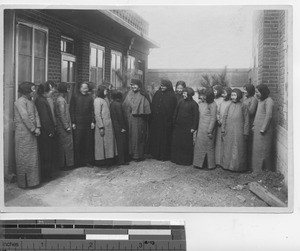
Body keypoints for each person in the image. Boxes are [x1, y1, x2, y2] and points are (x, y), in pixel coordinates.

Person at [14, 82, 41, 188]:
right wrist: (33, 129)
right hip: (23, 134)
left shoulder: (31, 101)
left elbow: (36, 114)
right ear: (26, 91)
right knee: (23, 157)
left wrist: (38, 126)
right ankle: (24, 183)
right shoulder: (19, 102)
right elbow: (25, 117)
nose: (34, 92)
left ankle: (33, 182)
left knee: (32, 157)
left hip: (32, 133)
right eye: (32, 89)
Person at [122, 79, 151, 161]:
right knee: (129, 136)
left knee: (138, 137)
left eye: (135, 85)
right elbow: (124, 105)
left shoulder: (144, 94)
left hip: (139, 119)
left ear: (139, 86)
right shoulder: (128, 93)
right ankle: (130, 153)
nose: (133, 86)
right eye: (131, 85)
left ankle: (138, 155)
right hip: (128, 118)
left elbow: (147, 109)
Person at [221, 89, 249, 172]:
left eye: (235, 95)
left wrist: (245, 132)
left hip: (239, 131)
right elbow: (224, 117)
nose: (233, 97)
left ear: (239, 96)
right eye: (232, 95)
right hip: (229, 130)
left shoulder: (243, 106)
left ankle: (238, 167)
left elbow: (246, 120)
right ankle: (227, 166)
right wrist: (223, 129)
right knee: (228, 147)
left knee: (238, 148)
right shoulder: (229, 106)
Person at [149, 79, 177, 161]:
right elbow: (153, 105)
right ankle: (155, 154)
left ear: (168, 86)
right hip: (157, 120)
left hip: (166, 121)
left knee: (165, 138)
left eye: (164, 86)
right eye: (161, 85)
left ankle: (164, 155)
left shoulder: (172, 95)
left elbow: (173, 108)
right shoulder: (157, 93)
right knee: (156, 137)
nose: (162, 87)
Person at [35, 81, 57, 180]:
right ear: (45, 91)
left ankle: (47, 174)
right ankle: (46, 176)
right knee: (46, 154)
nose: (52, 91)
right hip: (45, 133)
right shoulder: (41, 101)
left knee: (48, 154)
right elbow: (45, 119)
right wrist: (50, 131)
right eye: (50, 89)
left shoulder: (42, 99)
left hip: (46, 132)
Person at [171, 87, 199, 165]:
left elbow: (196, 117)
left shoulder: (194, 104)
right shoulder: (181, 102)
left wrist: (193, 127)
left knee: (186, 144)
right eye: (183, 93)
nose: (183, 95)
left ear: (189, 94)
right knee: (178, 143)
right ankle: (176, 159)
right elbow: (176, 113)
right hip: (179, 127)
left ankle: (185, 161)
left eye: (185, 93)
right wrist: (174, 122)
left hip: (187, 128)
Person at [70, 81, 95, 167]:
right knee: (78, 142)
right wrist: (73, 122)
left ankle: (87, 161)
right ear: (80, 88)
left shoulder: (90, 97)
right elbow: (72, 109)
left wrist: (92, 121)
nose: (85, 89)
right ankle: (78, 162)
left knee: (88, 142)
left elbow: (92, 110)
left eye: (86, 87)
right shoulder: (75, 96)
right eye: (83, 87)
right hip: (78, 123)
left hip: (88, 123)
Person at [251, 84, 274, 173]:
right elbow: (257, 115)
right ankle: (256, 170)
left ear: (263, 92)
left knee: (264, 150)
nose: (256, 94)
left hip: (264, 131)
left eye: (258, 92)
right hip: (257, 130)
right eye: (256, 92)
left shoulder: (269, 101)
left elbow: (269, 116)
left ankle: (264, 171)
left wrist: (263, 129)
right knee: (257, 150)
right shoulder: (260, 101)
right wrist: (254, 125)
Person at [193, 88, 217, 169]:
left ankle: (209, 165)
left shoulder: (213, 104)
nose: (202, 97)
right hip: (201, 128)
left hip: (208, 129)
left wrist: (210, 130)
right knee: (200, 146)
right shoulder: (201, 103)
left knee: (208, 147)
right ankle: (199, 163)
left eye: (204, 96)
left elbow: (213, 118)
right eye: (202, 96)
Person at [94, 85, 117, 166]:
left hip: (108, 125)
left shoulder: (105, 99)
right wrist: (101, 126)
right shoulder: (97, 100)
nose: (106, 92)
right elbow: (97, 114)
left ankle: (109, 159)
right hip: (103, 124)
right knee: (101, 143)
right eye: (105, 90)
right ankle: (101, 161)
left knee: (109, 143)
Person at [54, 82, 74, 170]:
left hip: (62, 125)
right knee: (66, 145)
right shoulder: (61, 100)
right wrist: (67, 126)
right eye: (68, 88)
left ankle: (65, 164)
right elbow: (62, 114)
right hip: (63, 127)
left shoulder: (60, 99)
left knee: (65, 145)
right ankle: (65, 164)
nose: (69, 91)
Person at [110, 90, 129, 165]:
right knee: (121, 144)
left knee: (118, 143)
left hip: (115, 125)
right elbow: (120, 116)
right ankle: (122, 160)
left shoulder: (112, 104)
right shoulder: (118, 104)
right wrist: (123, 127)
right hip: (119, 126)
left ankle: (120, 159)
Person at [215, 87, 232, 167]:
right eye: (222, 93)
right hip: (219, 125)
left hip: (226, 126)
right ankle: (218, 161)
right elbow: (218, 112)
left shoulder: (231, 103)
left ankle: (225, 162)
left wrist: (223, 121)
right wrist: (218, 118)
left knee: (225, 143)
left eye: (224, 93)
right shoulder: (221, 102)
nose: (223, 95)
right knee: (218, 143)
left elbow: (230, 115)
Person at [243, 83, 258, 169]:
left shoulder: (253, 100)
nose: (244, 92)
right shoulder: (246, 99)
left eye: (246, 90)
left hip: (249, 123)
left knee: (249, 145)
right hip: (244, 122)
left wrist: (243, 109)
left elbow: (251, 112)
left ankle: (249, 166)